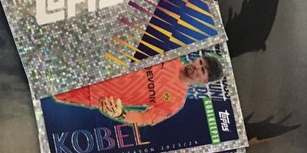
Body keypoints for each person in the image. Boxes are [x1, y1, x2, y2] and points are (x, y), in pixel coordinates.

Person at [53, 55, 224, 126]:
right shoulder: (170, 56)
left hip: (96, 94)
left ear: (204, 81)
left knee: (52, 90)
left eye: (202, 70)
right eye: (200, 62)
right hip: (97, 67)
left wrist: (121, 114)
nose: (196, 66)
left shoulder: (176, 101)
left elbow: (146, 118)